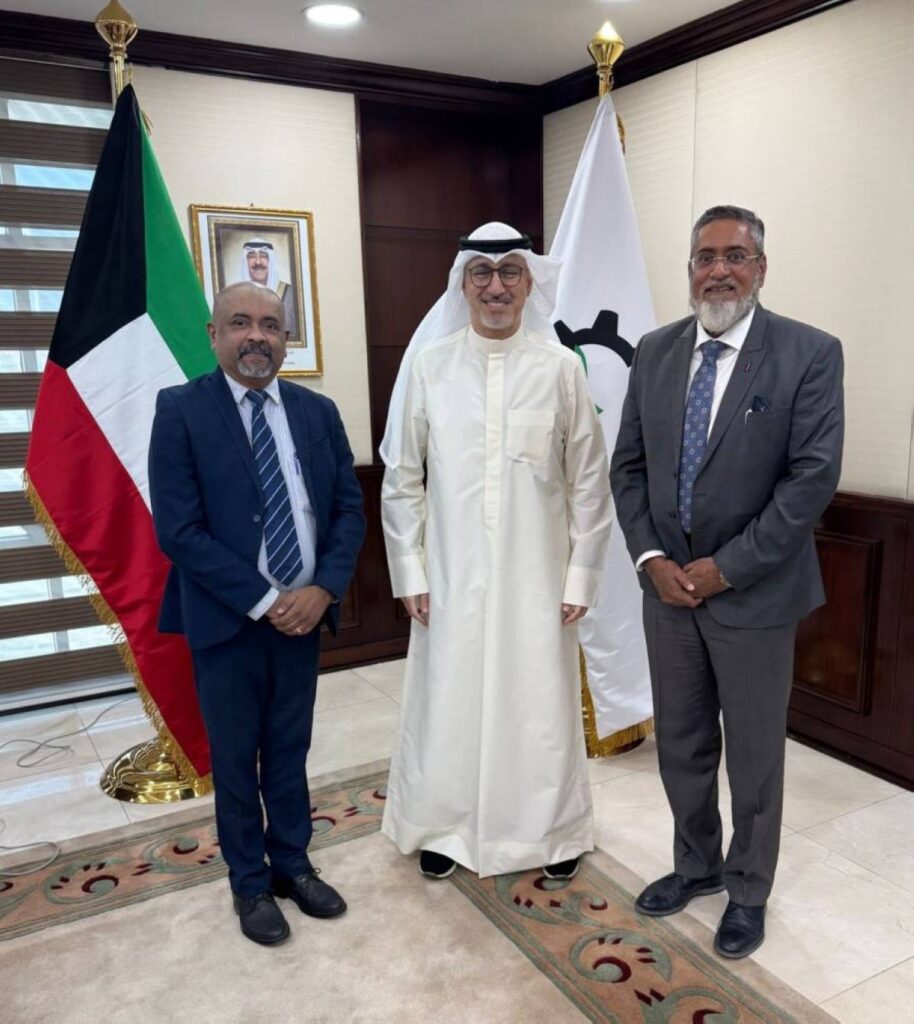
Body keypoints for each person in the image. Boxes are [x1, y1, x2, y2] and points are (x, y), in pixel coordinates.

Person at [610, 205, 844, 958]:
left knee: (752, 755)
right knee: (680, 745)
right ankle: (697, 867)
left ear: (761, 269)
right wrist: (652, 561)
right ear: (688, 271)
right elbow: (630, 469)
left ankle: (748, 890)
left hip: (755, 596)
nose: (718, 269)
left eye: (736, 256)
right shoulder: (654, 351)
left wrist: (724, 569)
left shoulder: (808, 353)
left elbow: (810, 482)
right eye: (705, 256)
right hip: (667, 594)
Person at [379, 222, 613, 882]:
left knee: (539, 708)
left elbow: (590, 483)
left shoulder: (562, 368)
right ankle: (443, 828)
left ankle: (553, 832)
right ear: (462, 284)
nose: (496, 287)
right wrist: (411, 570)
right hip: (450, 576)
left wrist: (581, 578)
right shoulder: (430, 366)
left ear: (529, 281)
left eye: (510, 271)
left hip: (539, 579)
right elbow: (402, 476)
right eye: (481, 274)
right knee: (447, 702)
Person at [148, 282, 364, 945]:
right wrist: (269, 600)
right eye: (240, 323)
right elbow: (178, 532)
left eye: (271, 325)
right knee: (239, 759)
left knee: (290, 752)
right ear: (214, 334)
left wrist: (323, 590)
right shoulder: (182, 409)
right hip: (227, 622)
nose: (257, 337)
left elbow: (347, 511)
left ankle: (292, 864)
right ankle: (249, 882)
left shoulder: (317, 411)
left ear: (285, 340)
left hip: (304, 619)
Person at [239, 238, 299, 339]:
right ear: (245, 262)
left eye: (263, 256)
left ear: (271, 261)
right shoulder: (235, 296)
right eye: (251, 256)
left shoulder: (290, 294)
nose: (258, 262)